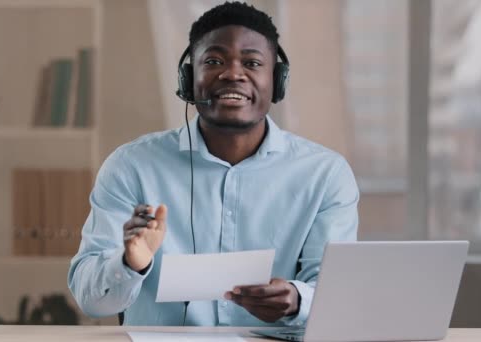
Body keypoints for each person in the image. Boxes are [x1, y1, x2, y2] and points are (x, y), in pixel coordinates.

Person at [68, 1, 359, 327]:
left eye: (251, 62)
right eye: (214, 60)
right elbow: (89, 299)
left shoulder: (325, 174)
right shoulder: (132, 166)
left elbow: (337, 295)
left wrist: (296, 300)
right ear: (188, 79)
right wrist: (130, 262)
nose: (233, 73)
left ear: (276, 81)